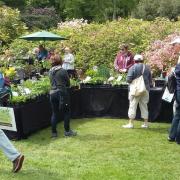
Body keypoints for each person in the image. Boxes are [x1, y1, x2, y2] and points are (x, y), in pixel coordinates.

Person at [49, 54, 77, 138]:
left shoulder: (50, 71)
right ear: (60, 61)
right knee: (66, 112)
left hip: (52, 93)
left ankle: (54, 133)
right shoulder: (62, 71)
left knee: (54, 113)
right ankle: (67, 132)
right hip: (61, 93)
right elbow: (68, 84)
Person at [122, 54, 152, 128]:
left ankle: (131, 124)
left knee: (132, 105)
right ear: (142, 60)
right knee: (144, 106)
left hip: (135, 90)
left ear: (134, 60)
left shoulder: (132, 68)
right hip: (145, 90)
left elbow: (128, 80)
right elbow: (150, 80)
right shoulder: (147, 68)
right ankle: (145, 124)